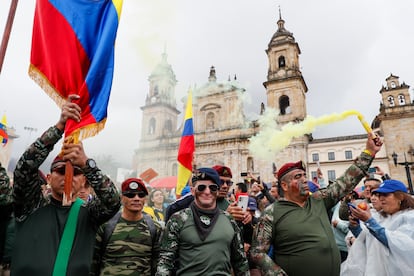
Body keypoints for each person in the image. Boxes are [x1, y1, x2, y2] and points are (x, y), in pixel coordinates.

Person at [11, 95, 121, 276]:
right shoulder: (30, 205)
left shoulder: (89, 213)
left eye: (76, 173)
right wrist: (59, 127)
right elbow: (24, 168)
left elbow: (113, 201)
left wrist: (87, 164)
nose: (67, 176)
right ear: (49, 177)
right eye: (60, 171)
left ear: (85, 180)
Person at [250, 134, 382, 276]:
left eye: (304, 175)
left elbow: (346, 181)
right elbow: (257, 252)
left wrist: (369, 152)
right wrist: (277, 274)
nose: (305, 180)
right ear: (284, 185)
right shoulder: (272, 213)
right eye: (297, 177)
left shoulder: (319, 200)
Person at [156, 167, 249, 275]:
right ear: (192, 190)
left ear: (217, 190)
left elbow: (240, 262)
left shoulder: (229, 220)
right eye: (201, 187)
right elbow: (165, 261)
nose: (207, 192)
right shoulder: (178, 220)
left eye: (213, 188)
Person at [341, 179, 414, 275]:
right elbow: (370, 240)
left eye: (386, 195)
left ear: (400, 197)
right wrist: (355, 227)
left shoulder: (410, 217)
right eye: (379, 195)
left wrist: (369, 221)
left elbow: (400, 244)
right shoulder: (381, 216)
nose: (381, 198)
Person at [91, 178, 162, 276]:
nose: (136, 198)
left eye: (141, 195)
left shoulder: (155, 228)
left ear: (145, 199)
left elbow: (158, 264)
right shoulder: (106, 226)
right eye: (130, 195)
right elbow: (93, 263)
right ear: (121, 198)